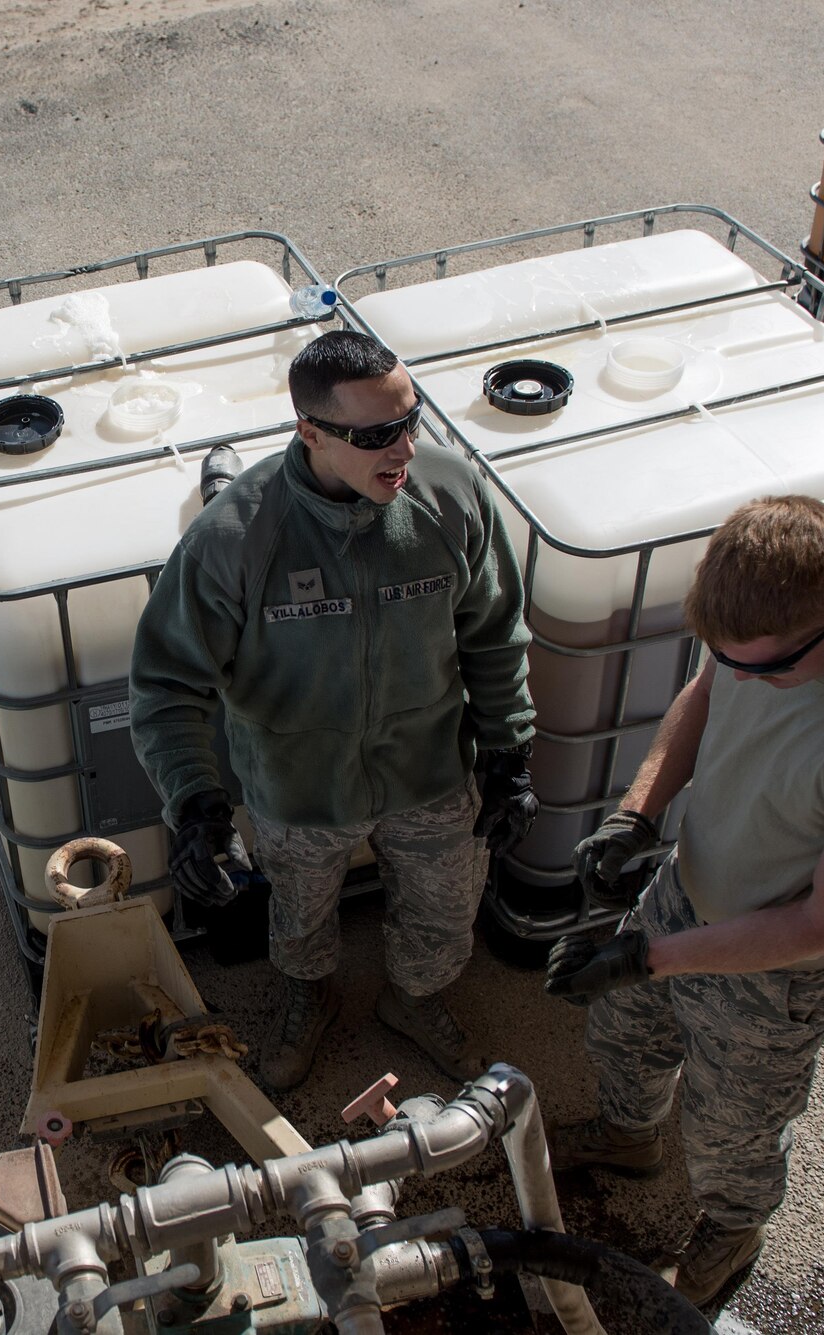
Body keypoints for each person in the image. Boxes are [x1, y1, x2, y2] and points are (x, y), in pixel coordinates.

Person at [544, 495, 824, 1314]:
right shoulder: (767, 635)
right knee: (624, 1033)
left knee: (731, 1126)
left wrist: (645, 956)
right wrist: (636, 812)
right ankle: (630, 1138)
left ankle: (733, 1228)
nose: (744, 676)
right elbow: (708, 692)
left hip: (778, 972)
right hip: (688, 884)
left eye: (763, 668)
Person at [128, 329, 538, 1092]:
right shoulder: (233, 539)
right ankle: (306, 998)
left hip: (432, 773)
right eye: (377, 435)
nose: (405, 449)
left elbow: (494, 628)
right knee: (300, 916)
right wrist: (197, 807)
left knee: (446, 912)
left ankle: (415, 1001)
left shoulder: (452, 496)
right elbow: (165, 683)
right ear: (309, 431)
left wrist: (511, 752)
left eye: (412, 420)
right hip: (298, 788)